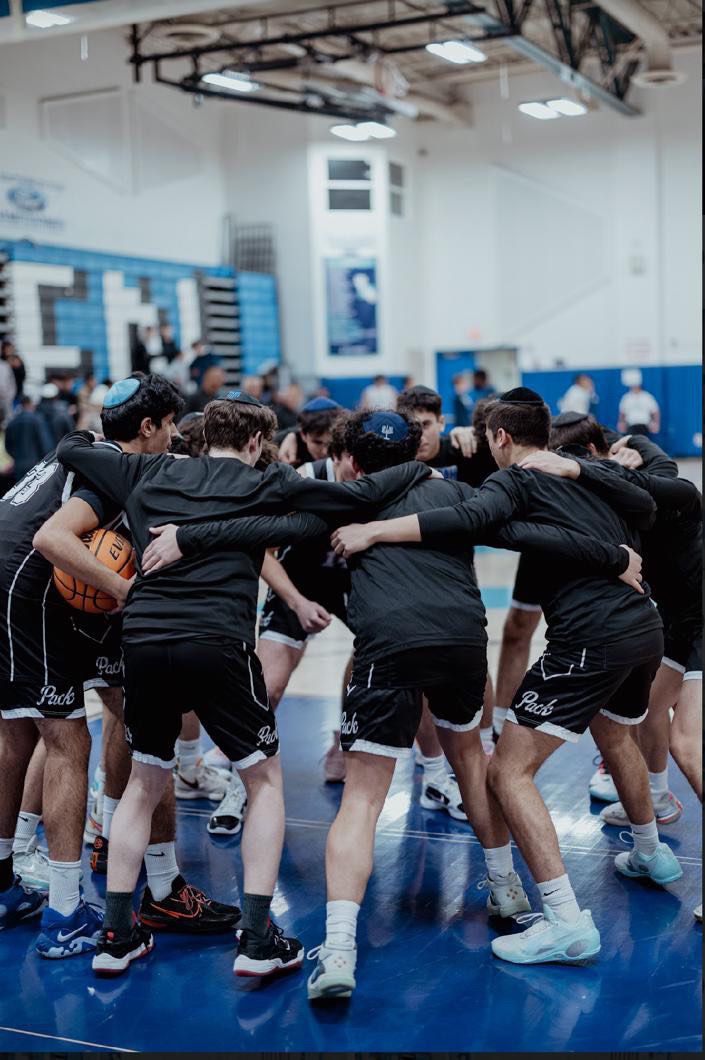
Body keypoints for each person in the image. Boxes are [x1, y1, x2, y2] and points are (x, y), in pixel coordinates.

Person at [55, 390, 434, 977]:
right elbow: (362, 495)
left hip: (144, 640)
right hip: (217, 642)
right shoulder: (268, 480)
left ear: (203, 435)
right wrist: (420, 460)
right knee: (263, 782)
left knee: (142, 786)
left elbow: (70, 449)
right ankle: (256, 940)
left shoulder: (146, 467)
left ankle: (115, 937)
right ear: (258, 442)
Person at [331, 387, 688, 966]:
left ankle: (565, 921)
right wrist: (606, 538)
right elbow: (648, 504)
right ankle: (649, 849)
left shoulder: (512, 481)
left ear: (500, 438)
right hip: (646, 625)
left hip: (591, 634)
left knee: (509, 771)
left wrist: (373, 531)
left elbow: (472, 519)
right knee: (614, 732)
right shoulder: (592, 473)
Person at [3, 374, 237, 957]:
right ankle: (64, 913)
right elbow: (54, 540)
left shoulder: (88, 445)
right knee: (65, 739)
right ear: (147, 427)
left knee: (105, 708)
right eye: (170, 427)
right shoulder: (112, 472)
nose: (175, 437)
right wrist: (121, 587)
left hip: (35, 589)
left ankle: (28, 877)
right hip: (28, 592)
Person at [549, 412, 703, 920]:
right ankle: (656, 799)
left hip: (702, 616)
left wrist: (614, 466)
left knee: (688, 743)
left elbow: (678, 489)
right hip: (679, 621)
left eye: (574, 465)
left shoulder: (641, 460)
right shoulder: (601, 489)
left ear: (593, 454)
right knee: (644, 715)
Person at [397, 385, 490, 486]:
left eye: (426, 424)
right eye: (412, 427)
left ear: (441, 423)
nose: (419, 436)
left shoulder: (463, 448)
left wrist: (479, 434)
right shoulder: (397, 461)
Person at [276, 396, 342, 467]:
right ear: (303, 435)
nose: (325, 451)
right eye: (317, 443)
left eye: (330, 443)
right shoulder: (280, 444)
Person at [5, 397, 52, 482]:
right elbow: (45, 443)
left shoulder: (12, 423)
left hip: (18, 465)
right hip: (35, 463)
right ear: (30, 405)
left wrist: (16, 457)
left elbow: (8, 446)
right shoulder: (37, 420)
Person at [618, 371, 660, 436]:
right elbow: (622, 413)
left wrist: (656, 423)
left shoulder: (647, 397)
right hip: (631, 426)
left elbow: (655, 411)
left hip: (644, 426)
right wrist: (621, 423)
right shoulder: (626, 397)